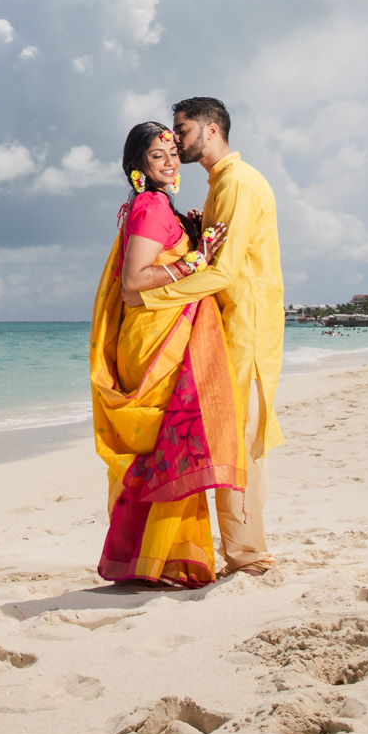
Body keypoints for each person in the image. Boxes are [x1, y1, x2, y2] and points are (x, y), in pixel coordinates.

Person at [90, 121, 244, 586]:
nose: (171, 161)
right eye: (159, 156)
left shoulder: (156, 207)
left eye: (174, 152)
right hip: (156, 340)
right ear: (138, 165)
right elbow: (136, 282)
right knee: (169, 446)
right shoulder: (151, 206)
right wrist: (196, 260)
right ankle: (155, 558)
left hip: (156, 331)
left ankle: (152, 558)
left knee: (167, 448)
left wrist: (189, 234)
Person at [138, 96, 284, 577]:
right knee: (231, 442)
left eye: (181, 130)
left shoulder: (238, 183)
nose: (176, 141)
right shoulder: (221, 184)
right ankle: (245, 553)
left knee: (237, 445)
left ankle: (249, 557)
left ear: (211, 128)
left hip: (247, 328)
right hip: (231, 327)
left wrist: (150, 298)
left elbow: (221, 273)